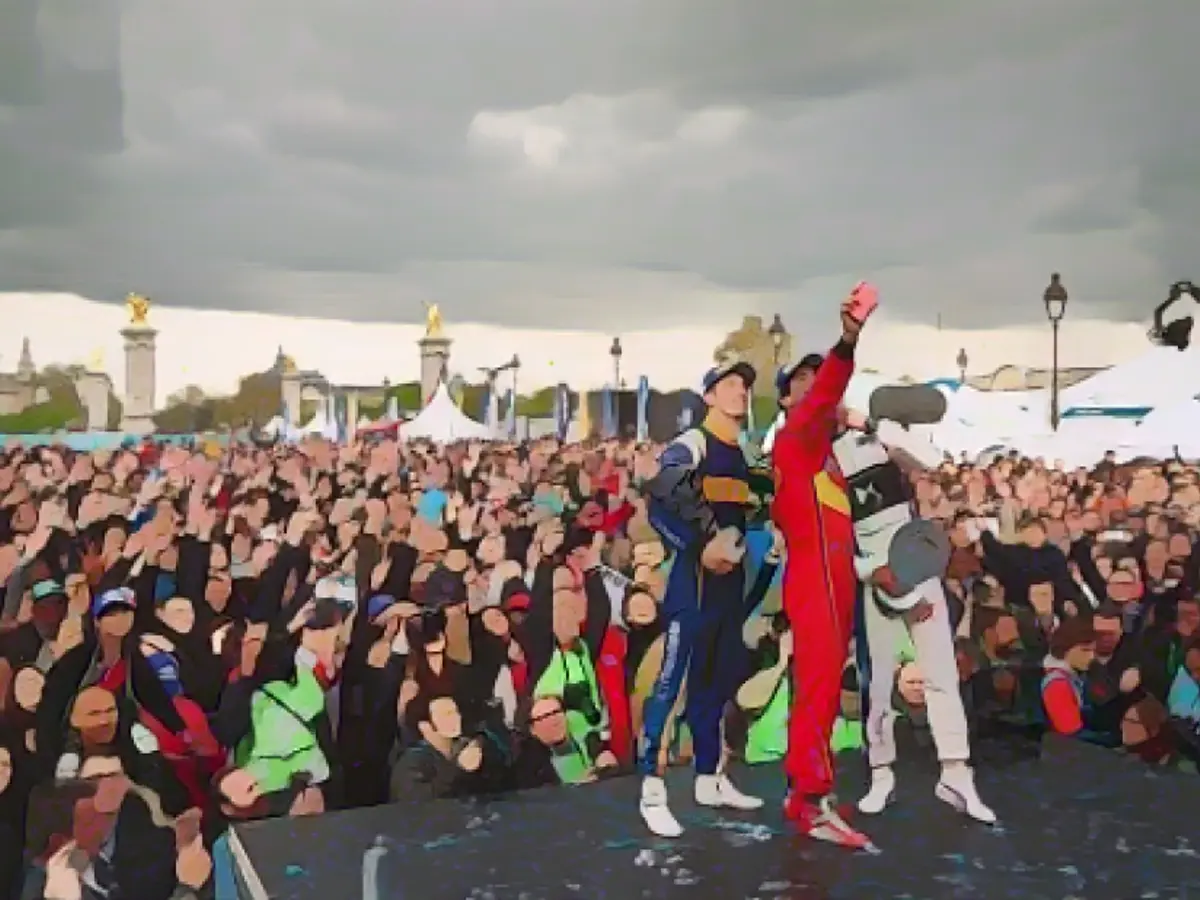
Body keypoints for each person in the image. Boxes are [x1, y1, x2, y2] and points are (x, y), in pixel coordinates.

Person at [832, 414, 995, 824]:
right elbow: (829, 541)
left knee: (942, 671)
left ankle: (957, 772)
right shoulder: (815, 462)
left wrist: (872, 424)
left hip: (917, 566)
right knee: (879, 684)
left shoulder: (873, 439)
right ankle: (881, 773)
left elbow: (930, 458)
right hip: (876, 580)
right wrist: (876, 573)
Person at [636, 359, 764, 838]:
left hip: (730, 586)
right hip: (694, 582)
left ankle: (709, 776)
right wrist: (698, 546)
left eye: (745, 386)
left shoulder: (745, 452)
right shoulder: (693, 444)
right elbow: (660, 502)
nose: (740, 392)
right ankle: (652, 787)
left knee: (716, 680)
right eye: (729, 384)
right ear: (709, 395)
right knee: (670, 686)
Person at [768, 285, 872, 848]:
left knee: (823, 688)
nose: (815, 387)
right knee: (817, 688)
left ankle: (807, 790)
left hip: (831, 583)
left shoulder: (827, 460)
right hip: (815, 585)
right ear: (788, 401)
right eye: (801, 382)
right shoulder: (797, 443)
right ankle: (810, 799)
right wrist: (848, 341)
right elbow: (824, 397)